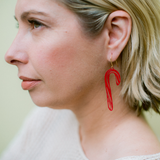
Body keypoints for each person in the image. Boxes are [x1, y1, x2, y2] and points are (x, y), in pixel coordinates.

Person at [1, 0, 160, 159]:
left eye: (36, 23)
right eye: (18, 26)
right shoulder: (48, 120)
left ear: (114, 35)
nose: (10, 54)